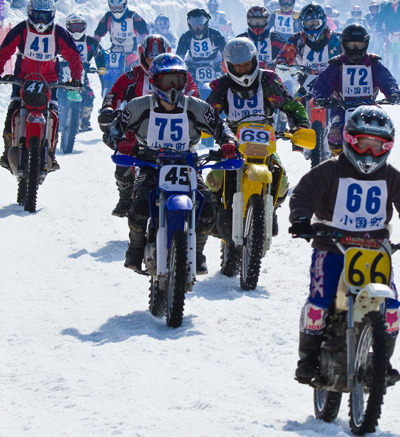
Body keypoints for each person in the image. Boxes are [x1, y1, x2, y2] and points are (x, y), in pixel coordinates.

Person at [289, 105, 400, 385]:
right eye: (363, 144)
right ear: (349, 139)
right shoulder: (329, 170)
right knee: (319, 304)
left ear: (388, 146)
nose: (369, 152)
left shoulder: (392, 176)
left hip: (375, 252)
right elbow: (304, 194)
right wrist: (300, 219)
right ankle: (307, 360)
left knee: (390, 309)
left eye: (377, 146)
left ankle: (382, 362)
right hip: (331, 247)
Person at [105, 53, 237, 274]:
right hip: (150, 163)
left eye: (178, 80)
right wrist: (121, 144)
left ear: (185, 81)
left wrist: (229, 143)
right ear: (155, 82)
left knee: (206, 206)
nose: (173, 87)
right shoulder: (139, 106)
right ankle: (135, 250)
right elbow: (113, 130)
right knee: (138, 207)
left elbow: (220, 127)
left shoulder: (196, 106)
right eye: (167, 81)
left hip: (186, 164)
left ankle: (197, 252)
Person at [206, 38, 310, 234]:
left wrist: (301, 125)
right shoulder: (221, 86)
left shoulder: (269, 81)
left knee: (282, 184)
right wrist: (206, 128)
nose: (243, 70)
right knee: (213, 179)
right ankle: (213, 213)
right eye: (238, 66)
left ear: (254, 61)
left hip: (264, 143)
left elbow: (291, 105)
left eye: (246, 64)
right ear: (229, 66)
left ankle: (270, 208)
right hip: (231, 143)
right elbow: (208, 113)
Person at [99, 35, 200, 217]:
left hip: (175, 135)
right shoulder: (131, 76)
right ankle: (125, 198)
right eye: (151, 59)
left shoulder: (180, 75)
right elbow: (113, 94)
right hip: (138, 135)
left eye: (159, 57)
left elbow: (194, 94)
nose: (155, 62)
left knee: (196, 174)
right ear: (142, 56)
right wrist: (107, 109)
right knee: (122, 168)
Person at [0, 0, 84, 172]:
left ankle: (51, 154)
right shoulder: (21, 29)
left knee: (53, 115)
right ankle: (8, 152)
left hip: (49, 81)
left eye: (44, 16)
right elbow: (5, 50)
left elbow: (73, 55)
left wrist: (76, 77)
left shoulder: (59, 32)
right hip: (22, 79)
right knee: (13, 111)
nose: (40, 20)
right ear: (30, 13)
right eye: (37, 15)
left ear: (52, 15)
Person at [312, 24, 400, 155]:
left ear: (366, 44)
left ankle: (378, 158)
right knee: (335, 137)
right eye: (352, 45)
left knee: (384, 128)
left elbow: (387, 80)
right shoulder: (337, 64)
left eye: (359, 45)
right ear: (344, 44)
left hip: (370, 107)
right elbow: (322, 84)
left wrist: (393, 93)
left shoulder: (373, 63)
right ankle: (337, 163)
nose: (355, 49)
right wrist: (320, 97)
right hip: (340, 107)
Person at [275, 3, 343, 89]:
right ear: (302, 24)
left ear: (323, 22)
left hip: (335, 87)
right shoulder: (297, 39)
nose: (312, 27)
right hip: (305, 89)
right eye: (308, 24)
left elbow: (352, 59)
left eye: (315, 23)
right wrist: (282, 63)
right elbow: (284, 55)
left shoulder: (337, 39)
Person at [64, 12, 107, 131]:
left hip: (82, 74)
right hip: (63, 73)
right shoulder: (63, 40)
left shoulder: (91, 42)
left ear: (84, 27)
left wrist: (102, 67)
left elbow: (101, 55)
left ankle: (84, 120)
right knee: (55, 93)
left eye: (79, 27)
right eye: (73, 27)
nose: (76, 30)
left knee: (89, 95)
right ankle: (56, 116)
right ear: (68, 27)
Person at [93, 0, 149, 70]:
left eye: (119, 8)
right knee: (105, 71)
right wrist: (95, 43)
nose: (116, 11)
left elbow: (144, 31)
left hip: (131, 52)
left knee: (130, 72)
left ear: (124, 6)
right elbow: (99, 32)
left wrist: (143, 44)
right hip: (114, 52)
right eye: (114, 8)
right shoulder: (108, 16)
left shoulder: (133, 16)